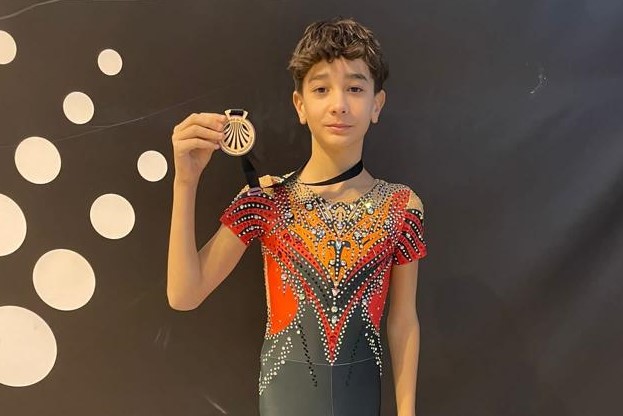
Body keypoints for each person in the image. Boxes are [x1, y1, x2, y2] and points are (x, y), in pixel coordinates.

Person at [167, 17, 428, 416]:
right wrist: (185, 182)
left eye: (355, 88)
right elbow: (184, 294)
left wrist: (407, 411)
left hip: (361, 400)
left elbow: (403, 320)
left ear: (377, 104)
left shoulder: (402, 206)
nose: (339, 104)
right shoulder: (266, 198)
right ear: (300, 105)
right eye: (321, 89)